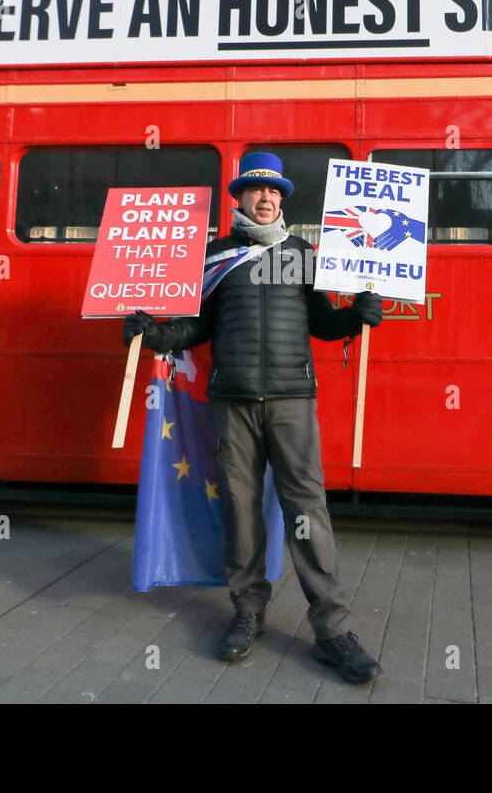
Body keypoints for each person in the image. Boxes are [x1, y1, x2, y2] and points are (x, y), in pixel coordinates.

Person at [123, 151, 385, 683]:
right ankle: (248, 612)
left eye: (275, 193)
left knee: (308, 511)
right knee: (240, 509)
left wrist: (357, 317)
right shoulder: (215, 256)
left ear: (282, 201)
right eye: (256, 191)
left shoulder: (303, 255)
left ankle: (333, 630)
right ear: (239, 197)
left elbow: (325, 325)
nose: (266, 199)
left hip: (293, 401)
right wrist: (153, 333)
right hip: (232, 402)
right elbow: (195, 329)